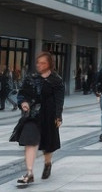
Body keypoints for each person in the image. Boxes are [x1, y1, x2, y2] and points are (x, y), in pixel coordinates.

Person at [13, 51, 64, 184]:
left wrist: (58, 116)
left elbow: (59, 100)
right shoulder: (31, 78)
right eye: (38, 63)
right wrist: (23, 103)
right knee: (30, 140)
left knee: (48, 143)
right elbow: (22, 93)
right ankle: (29, 172)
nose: (39, 65)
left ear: (50, 64)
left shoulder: (56, 80)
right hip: (33, 115)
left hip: (49, 115)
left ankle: (47, 163)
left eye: (43, 63)